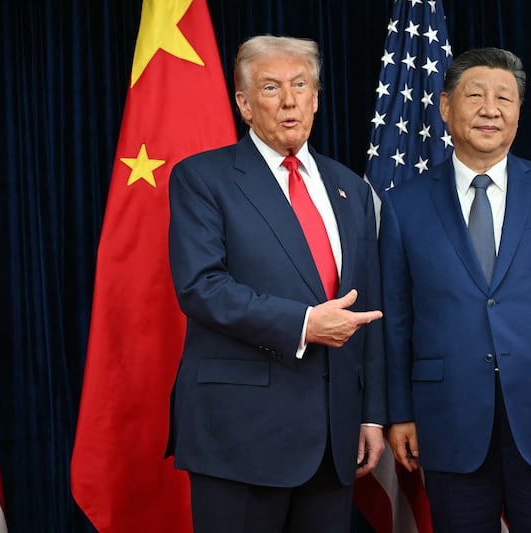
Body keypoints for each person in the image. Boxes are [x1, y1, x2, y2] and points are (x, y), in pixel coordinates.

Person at [379, 47, 531, 533]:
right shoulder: (404, 205)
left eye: (504, 99)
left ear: (517, 112)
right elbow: (397, 319)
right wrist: (398, 412)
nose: (490, 109)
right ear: (446, 108)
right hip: (447, 417)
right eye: (475, 95)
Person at [165, 35, 385, 533]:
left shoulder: (350, 187)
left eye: (301, 85)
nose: (289, 100)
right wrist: (304, 324)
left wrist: (370, 415)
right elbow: (201, 286)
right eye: (270, 87)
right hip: (241, 437)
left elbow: (366, 307)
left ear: (315, 97)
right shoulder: (203, 178)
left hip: (333, 440)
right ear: (243, 103)